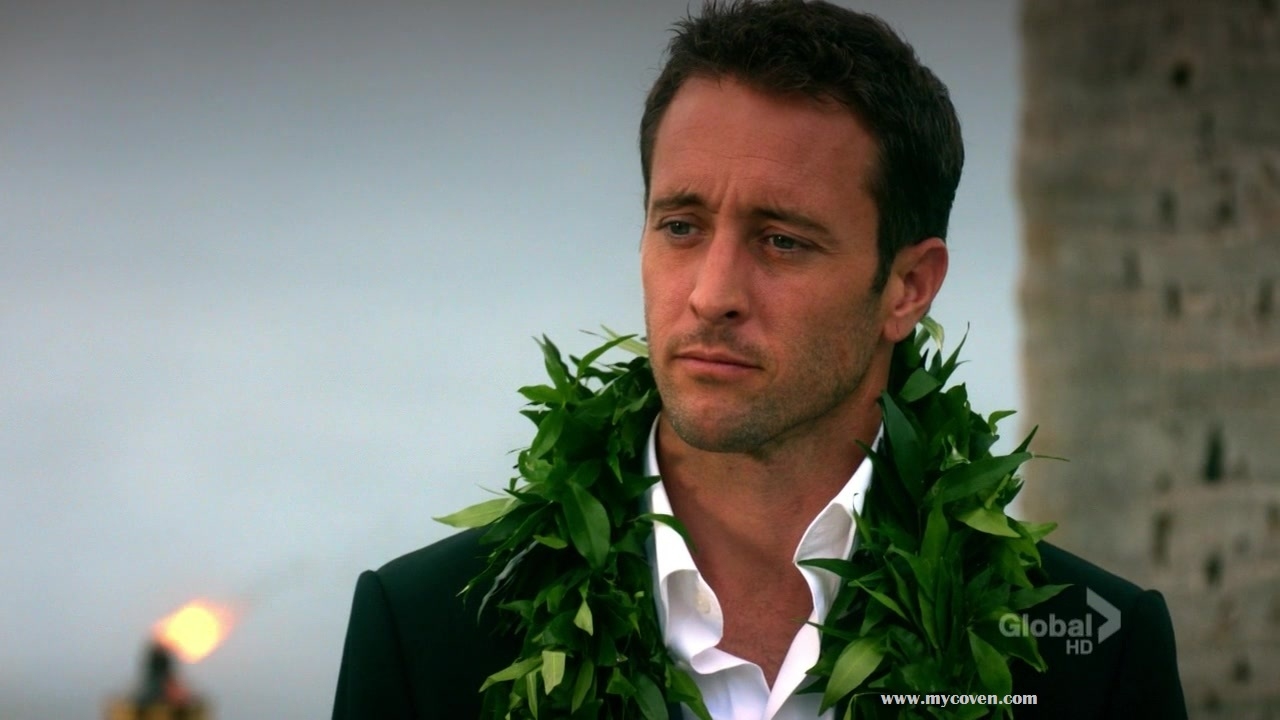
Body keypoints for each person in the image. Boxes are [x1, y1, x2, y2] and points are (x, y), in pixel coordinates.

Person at [332, 2, 1187, 718]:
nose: (711, 294)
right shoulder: (427, 634)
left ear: (908, 287)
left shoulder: (1088, 654)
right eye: (680, 226)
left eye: (782, 240)